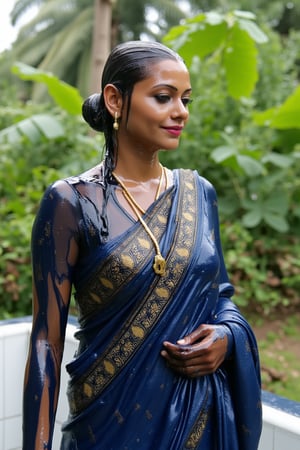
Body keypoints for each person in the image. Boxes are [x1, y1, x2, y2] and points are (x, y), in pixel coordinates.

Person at [23, 40, 262, 450]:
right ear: (116, 100)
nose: (180, 112)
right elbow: (47, 340)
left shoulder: (198, 193)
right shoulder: (72, 203)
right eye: (163, 97)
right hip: (107, 425)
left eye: (185, 100)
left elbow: (220, 296)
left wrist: (227, 337)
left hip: (197, 422)